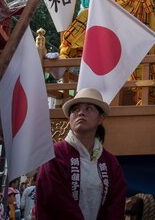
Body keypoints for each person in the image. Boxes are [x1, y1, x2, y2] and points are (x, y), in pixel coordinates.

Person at [36, 87, 126, 220]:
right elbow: (54, 202)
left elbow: (116, 205)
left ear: (100, 118)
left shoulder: (110, 162)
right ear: (69, 118)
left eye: (89, 108)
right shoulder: (54, 155)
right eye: (75, 109)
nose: (81, 113)